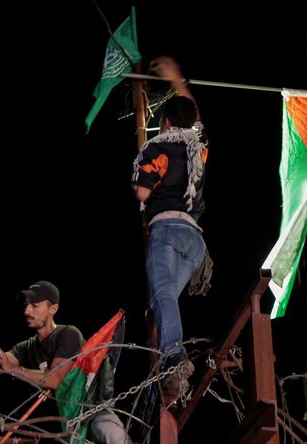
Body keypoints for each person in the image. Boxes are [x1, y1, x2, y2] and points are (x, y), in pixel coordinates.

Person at [0, 280, 168, 444]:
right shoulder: (28, 346)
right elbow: (7, 358)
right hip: (65, 425)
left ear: (53, 309)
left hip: (90, 412)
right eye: (26, 305)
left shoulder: (67, 334)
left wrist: (15, 370)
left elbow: (54, 379)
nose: (27, 311)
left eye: (35, 305)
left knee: (114, 434)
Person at [131, 56, 208, 391]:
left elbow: (140, 193)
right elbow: (194, 118)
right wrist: (178, 79)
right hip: (194, 242)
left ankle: (174, 360)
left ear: (165, 123)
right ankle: (173, 368)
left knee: (161, 294)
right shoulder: (198, 148)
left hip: (164, 232)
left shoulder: (157, 147)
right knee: (162, 303)